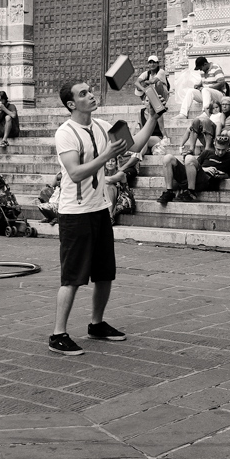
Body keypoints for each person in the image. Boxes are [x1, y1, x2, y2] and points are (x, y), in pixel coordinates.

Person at [50, 80, 160, 356]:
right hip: (75, 213)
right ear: (71, 104)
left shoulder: (101, 125)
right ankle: (57, 334)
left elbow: (132, 143)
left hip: (99, 209)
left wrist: (153, 117)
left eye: (90, 91)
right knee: (72, 277)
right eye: (83, 93)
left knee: (104, 273)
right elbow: (75, 173)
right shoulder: (65, 133)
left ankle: (96, 324)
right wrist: (108, 156)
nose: (91, 95)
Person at [157, 133, 230, 204]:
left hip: (205, 180)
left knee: (189, 158)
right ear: (214, 144)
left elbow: (229, 175)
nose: (220, 152)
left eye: (223, 150)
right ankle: (169, 192)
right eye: (218, 149)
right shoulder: (207, 152)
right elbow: (193, 164)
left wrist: (221, 175)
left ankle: (191, 192)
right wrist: (205, 169)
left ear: (228, 146)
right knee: (168, 158)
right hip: (193, 175)